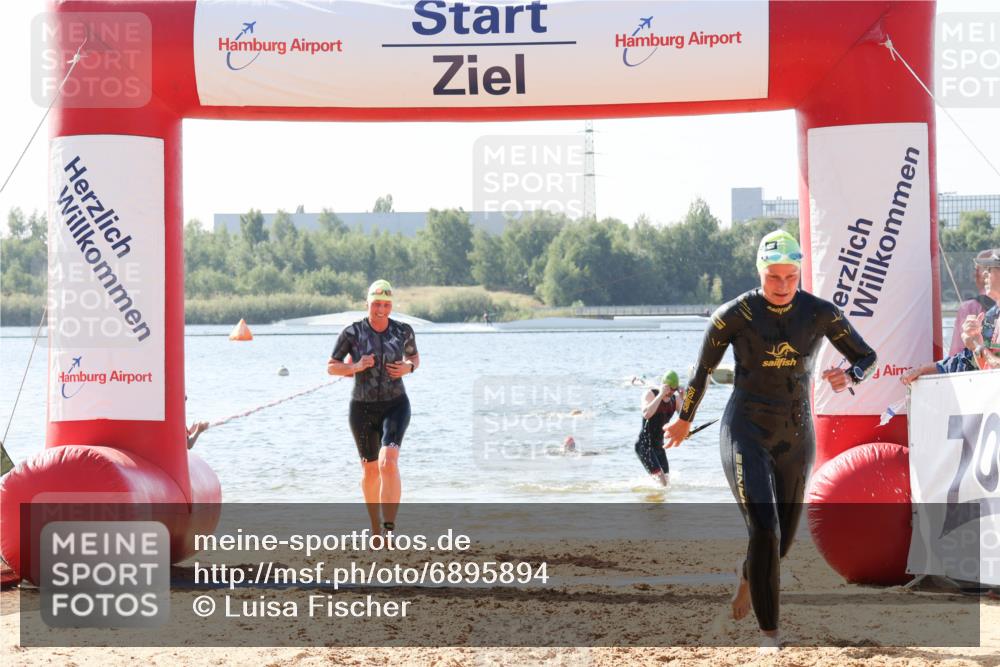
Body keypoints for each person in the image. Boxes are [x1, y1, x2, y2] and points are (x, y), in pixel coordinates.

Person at [664, 230, 877, 652]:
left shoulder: (819, 313)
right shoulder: (733, 315)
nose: (781, 286)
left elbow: (866, 357)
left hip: (797, 434)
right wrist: (684, 420)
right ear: (760, 272)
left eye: (790, 277)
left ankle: (747, 578)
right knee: (764, 528)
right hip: (745, 429)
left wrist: (848, 377)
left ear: (799, 273)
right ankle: (770, 637)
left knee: (779, 545)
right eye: (773, 277)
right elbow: (701, 373)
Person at [327, 279, 420, 539]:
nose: (381, 309)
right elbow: (332, 366)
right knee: (369, 470)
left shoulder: (403, 331)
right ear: (367, 303)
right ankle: (375, 528)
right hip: (362, 409)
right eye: (376, 304)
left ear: (391, 306)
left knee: (388, 462)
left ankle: (389, 528)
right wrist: (355, 366)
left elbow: (414, 358)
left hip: (396, 404)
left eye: (386, 305)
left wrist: (408, 367)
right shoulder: (352, 333)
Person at [903, 248, 1000, 383]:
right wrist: (923, 370)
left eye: (990, 268)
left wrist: (977, 346)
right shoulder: (993, 315)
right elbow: (967, 360)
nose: (985, 274)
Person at [634, 370, 681, 487]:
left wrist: (683, 397)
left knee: (666, 483)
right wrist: (660, 395)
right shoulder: (650, 394)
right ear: (664, 385)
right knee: (662, 484)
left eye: (674, 390)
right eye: (669, 389)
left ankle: (656, 503)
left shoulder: (675, 400)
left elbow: (686, 419)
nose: (670, 393)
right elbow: (646, 414)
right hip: (644, 446)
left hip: (659, 447)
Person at [949, 249, 997, 356]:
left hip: (980, 369)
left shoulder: (968, 308)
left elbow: (956, 354)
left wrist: (976, 346)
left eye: (989, 269)